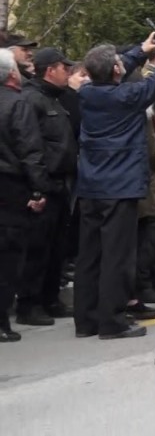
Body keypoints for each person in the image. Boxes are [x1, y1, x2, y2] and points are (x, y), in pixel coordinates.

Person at [75, 38, 155, 339]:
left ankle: (86, 320)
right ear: (116, 71)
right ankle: (112, 321)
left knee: (90, 256)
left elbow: (111, 70)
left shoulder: (87, 92)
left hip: (91, 187)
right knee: (117, 258)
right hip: (119, 188)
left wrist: (140, 52)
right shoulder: (128, 96)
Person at [17, 48, 78, 326]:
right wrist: (38, 188)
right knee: (38, 249)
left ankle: (50, 299)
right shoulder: (31, 99)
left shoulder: (54, 98)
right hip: (44, 184)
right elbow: (31, 147)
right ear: (50, 70)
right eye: (64, 68)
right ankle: (30, 305)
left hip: (61, 182)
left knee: (57, 248)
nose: (68, 72)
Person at [0, 48, 51, 342]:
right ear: (10, 74)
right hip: (10, 187)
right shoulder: (17, 105)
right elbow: (30, 150)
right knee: (8, 257)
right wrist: (38, 189)